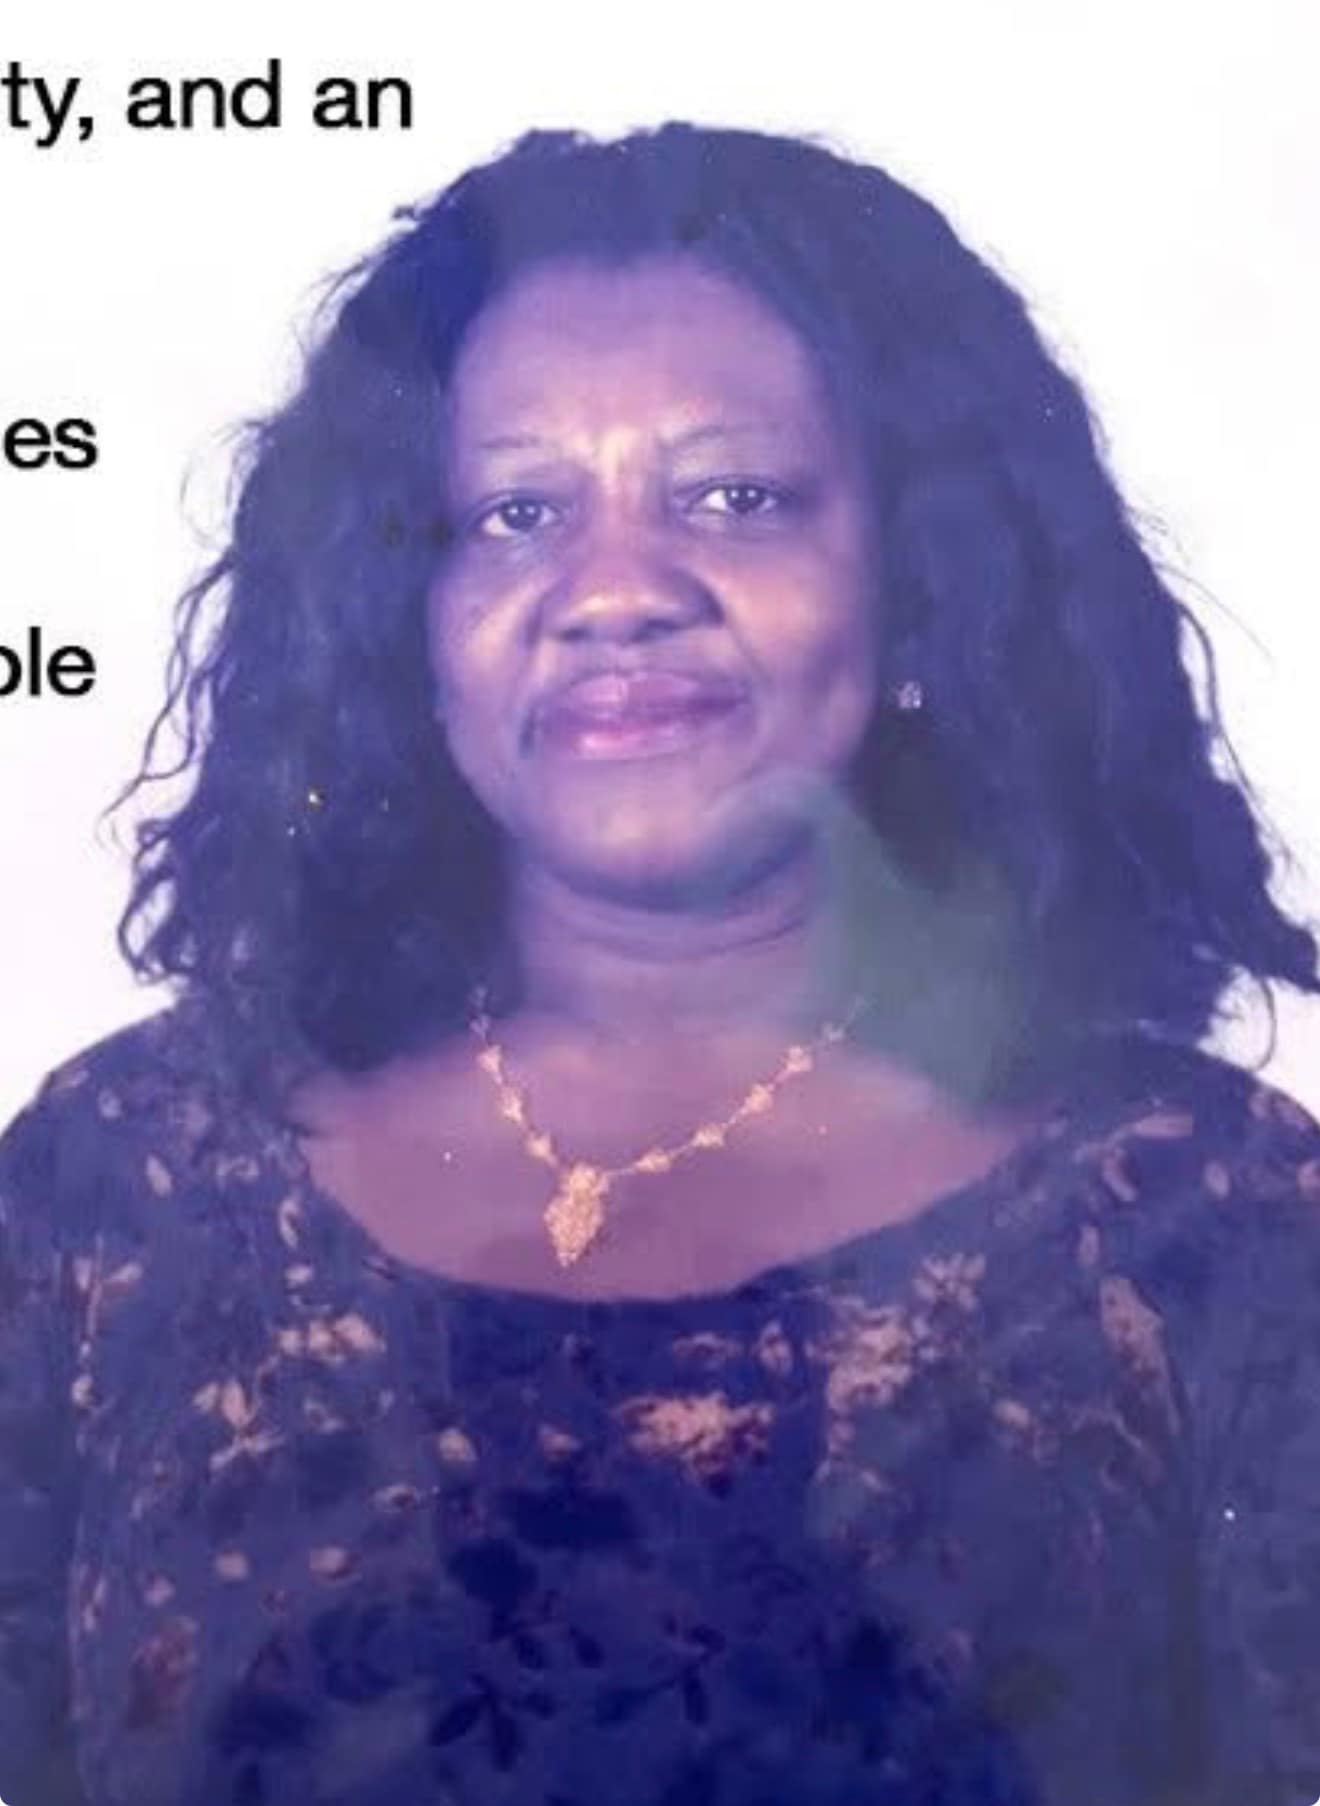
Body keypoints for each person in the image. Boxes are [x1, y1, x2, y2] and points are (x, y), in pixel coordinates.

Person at [2, 122, 1319, 1806]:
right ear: (404, 625)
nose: (613, 590)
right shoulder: (117, 1185)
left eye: (733, 497)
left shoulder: (1212, 1222)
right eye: (515, 511)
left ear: (924, 590)